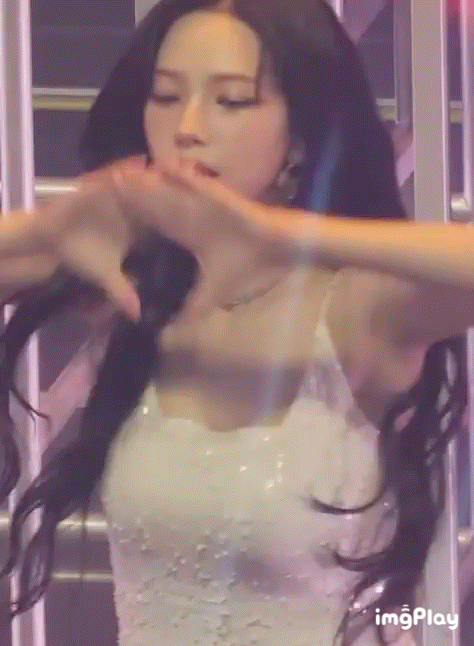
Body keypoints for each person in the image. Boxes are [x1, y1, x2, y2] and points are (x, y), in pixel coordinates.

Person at [0, 0, 470, 644]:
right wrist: (46, 229)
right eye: (166, 96)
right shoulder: (133, 292)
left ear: (299, 138)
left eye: (230, 101)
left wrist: (280, 234)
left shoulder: (360, 309)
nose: (187, 128)